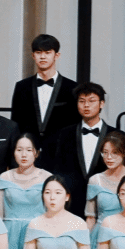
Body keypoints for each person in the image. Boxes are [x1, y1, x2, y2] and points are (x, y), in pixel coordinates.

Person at [9, 34, 79, 168]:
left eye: (47, 52)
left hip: (60, 156)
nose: (42, 57)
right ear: (33, 55)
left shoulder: (72, 88)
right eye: (38, 52)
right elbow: (16, 123)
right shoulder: (22, 87)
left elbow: (75, 125)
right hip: (29, 156)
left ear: (56, 55)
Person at [48, 82, 118, 217]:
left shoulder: (115, 135)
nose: (86, 105)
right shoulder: (64, 134)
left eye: (91, 101)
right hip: (72, 202)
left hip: (105, 201)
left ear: (102, 103)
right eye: (82, 101)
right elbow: (59, 168)